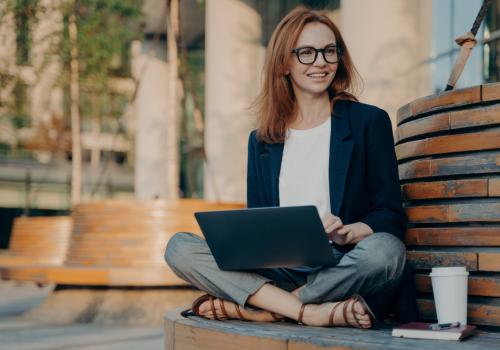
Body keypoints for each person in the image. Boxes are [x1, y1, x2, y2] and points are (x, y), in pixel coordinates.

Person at [165, 6, 407, 329]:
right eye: (306, 52)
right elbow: (260, 226)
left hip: (341, 264)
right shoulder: (262, 141)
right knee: (179, 247)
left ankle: (267, 307)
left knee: (387, 252)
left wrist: (350, 232)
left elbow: (390, 214)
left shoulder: (369, 122)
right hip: (278, 269)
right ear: (284, 62)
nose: (320, 62)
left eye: (329, 51)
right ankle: (310, 311)